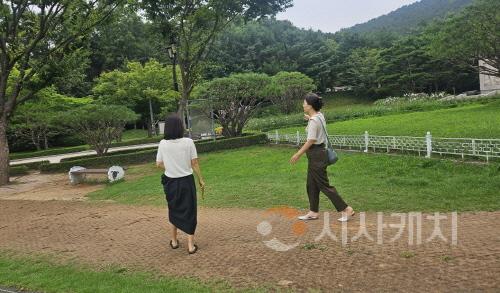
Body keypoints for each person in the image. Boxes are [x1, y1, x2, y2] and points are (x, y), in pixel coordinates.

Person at [289, 93, 355, 222]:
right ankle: (313, 212)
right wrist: (309, 119)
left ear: (310, 105)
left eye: (304, 103)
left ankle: (347, 209)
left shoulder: (314, 121)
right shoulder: (319, 116)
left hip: (316, 154)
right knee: (311, 184)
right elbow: (316, 123)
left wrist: (298, 154)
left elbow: (311, 140)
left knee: (324, 185)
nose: (303, 105)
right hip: (318, 153)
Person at [156, 114, 205, 254]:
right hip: (186, 181)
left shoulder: (163, 143)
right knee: (190, 211)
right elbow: (194, 163)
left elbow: (158, 164)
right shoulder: (188, 142)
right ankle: (190, 246)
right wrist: (201, 179)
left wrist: (171, 167)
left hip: (170, 182)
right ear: (180, 127)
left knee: (174, 209)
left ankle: (174, 241)